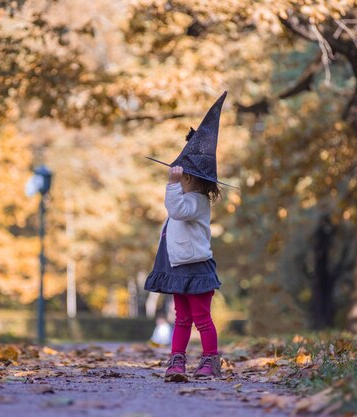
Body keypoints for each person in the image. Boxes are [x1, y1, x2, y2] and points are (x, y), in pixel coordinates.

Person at [144, 91, 237, 382]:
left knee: (202, 319)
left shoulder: (196, 201)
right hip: (178, 267)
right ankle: (177, 360)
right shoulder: (186, 198)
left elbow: (177, 210)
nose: (176, 179)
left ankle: (210, 360)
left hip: (196, 267)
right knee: (181, 318)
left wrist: (172, 186)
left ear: (192, 180)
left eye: (181, 177)